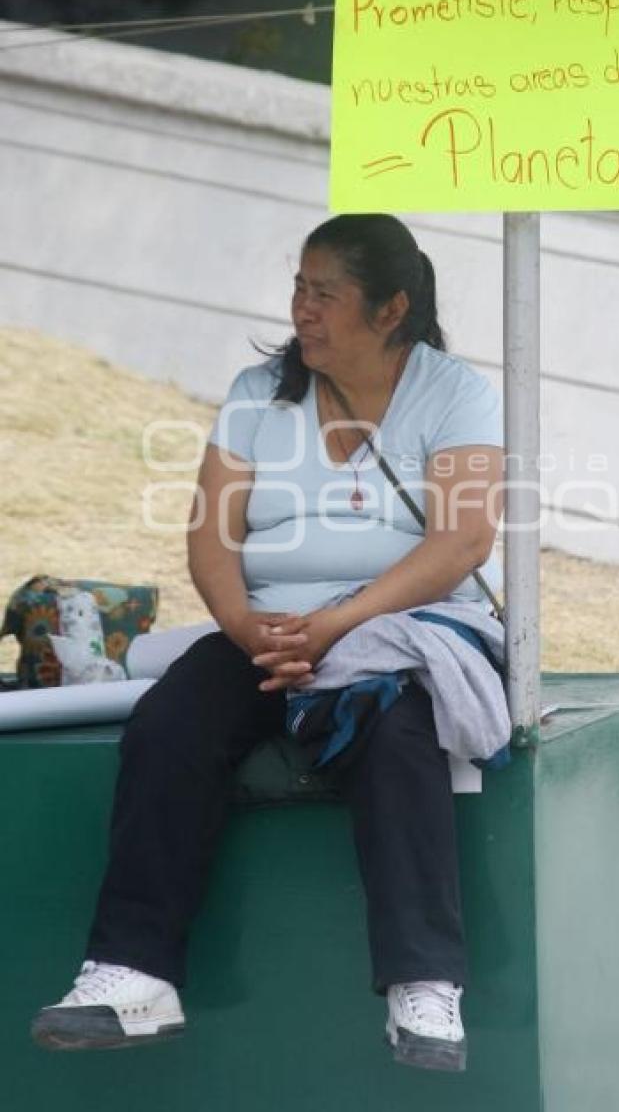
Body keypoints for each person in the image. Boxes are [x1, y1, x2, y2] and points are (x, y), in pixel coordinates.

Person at [30, 214, 505, 1072]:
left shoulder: (454, 393)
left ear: (391, 307)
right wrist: (248, 627)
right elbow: (211, 537)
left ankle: (424, 986)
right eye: (299, 287)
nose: (303, 309)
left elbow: (462, 542)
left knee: (397, 732)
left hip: (395, 627)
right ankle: (133, 972)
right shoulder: (259, 393)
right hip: (268, 628)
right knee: (171, 723)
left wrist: (339, 623)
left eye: (326, 294)